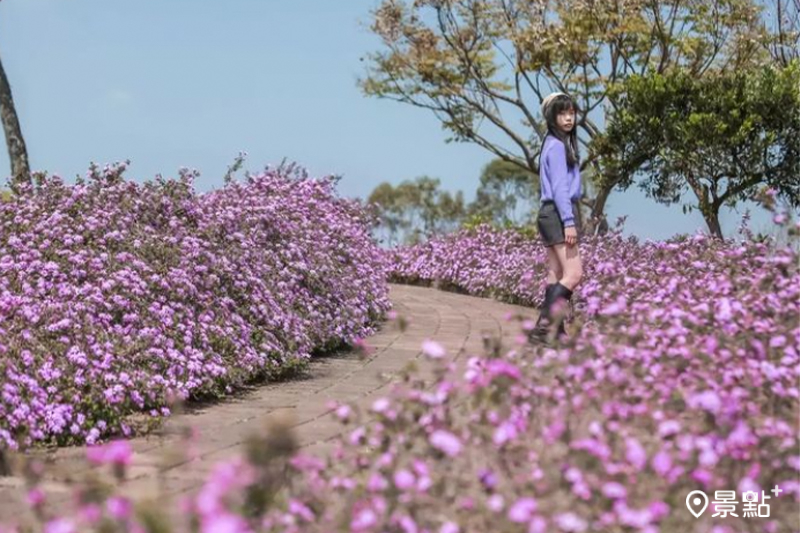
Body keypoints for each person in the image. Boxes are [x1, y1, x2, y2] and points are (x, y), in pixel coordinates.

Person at [529, 92, 584, 344]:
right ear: (552, 116)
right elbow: (561, 188)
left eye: (571, 113)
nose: (568, 118)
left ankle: (557, 333)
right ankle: (543, 327)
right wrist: (569, 221)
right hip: (558, 212)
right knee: (574, 274)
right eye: (562, 113)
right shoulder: (558, 146)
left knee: (556, 272)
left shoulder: (551, 144)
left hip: (549, 213)